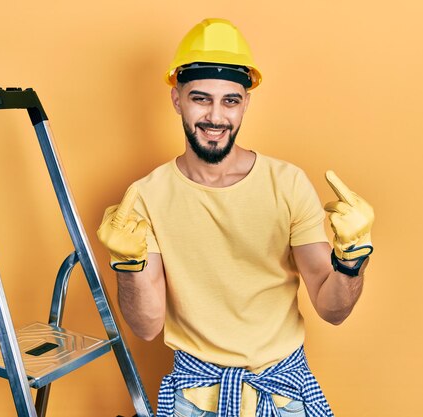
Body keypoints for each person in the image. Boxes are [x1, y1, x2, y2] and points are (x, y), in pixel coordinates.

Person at [97, 18, 374, 417]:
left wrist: (350, 260)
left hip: (282, 391)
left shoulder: (288, 184)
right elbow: (146, 326)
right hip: (193, 394)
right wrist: (127, 264)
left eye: (230, 100)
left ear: (246, 102)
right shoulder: (145, 197)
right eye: (200, 98)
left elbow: (332, 310)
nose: (215, 116)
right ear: (177, 99)